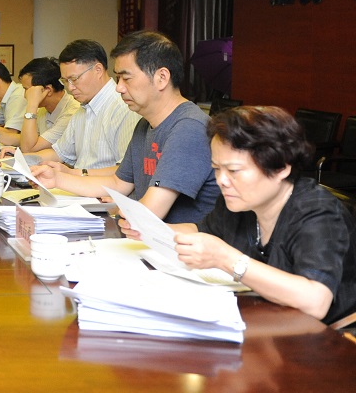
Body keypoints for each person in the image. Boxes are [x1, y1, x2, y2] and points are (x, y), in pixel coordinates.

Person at [126, 106, 356, 324]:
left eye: (234, 170)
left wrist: (227, 259)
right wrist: (149, 228)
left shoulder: (318, 213)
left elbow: (316, 301)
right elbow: (201, 231)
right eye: (217, 169)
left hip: (328, 334)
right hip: (268, 318)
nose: (222, 180)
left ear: (280, 168)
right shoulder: (238, 202)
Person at [31, 32, 219, 223]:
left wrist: (121, 206)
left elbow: (150, 212)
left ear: (161, 77)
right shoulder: (144, 124)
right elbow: (118, 183)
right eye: (118, 78)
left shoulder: (189, 127)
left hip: (170, 238)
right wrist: (57, 179)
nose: (119, 88)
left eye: (126, 79)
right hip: (143, 233)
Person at [31, 39, 140, 170]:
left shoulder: (123, 108)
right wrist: (21, 159)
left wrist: (73, 175)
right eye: (65, 81)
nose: (70, 88)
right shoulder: (82, 109)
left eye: (74, 79)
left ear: (98, 70)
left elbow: (126, 172)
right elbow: (59, 153)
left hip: (97, 183)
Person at [15, 57, 81, 154]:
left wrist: (32, 105)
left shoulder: (72, 113)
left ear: (48, 90)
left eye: (27, 90)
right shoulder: (43, 110)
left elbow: (28, 149)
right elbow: (26, 142)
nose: (25, 96)